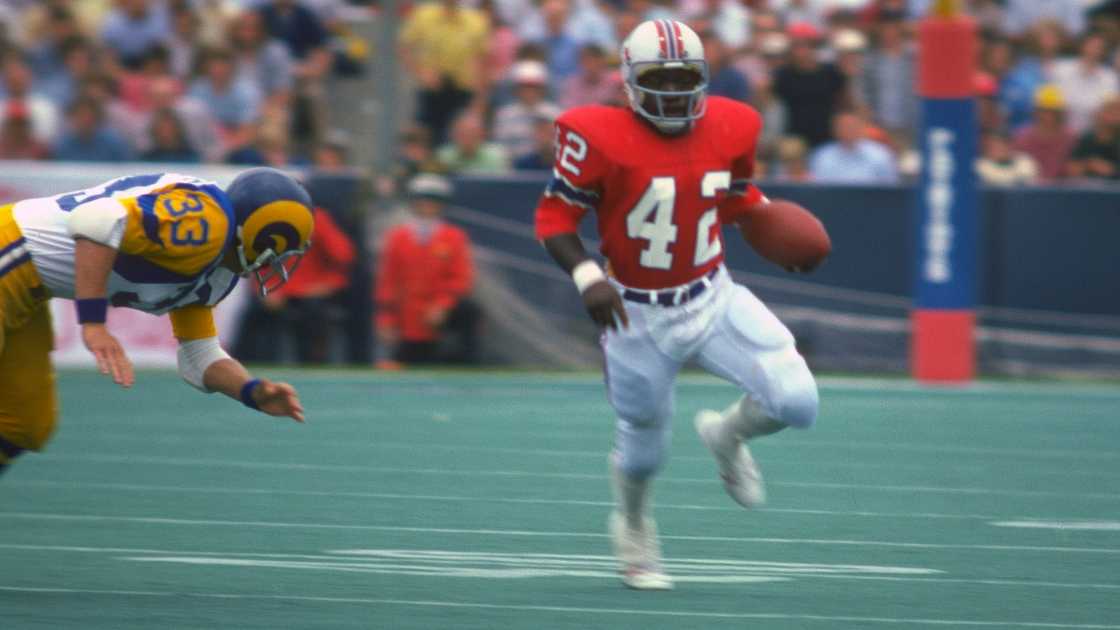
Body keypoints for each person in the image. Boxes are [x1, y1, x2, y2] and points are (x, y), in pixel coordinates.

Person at [534, 19, 819, 590]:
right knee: (642, 452)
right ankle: (634, 526)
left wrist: (770, 221)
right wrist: (588, 276)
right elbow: (554, 217)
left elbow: (731, 196)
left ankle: (727, 434)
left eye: (684, 77)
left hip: (712, 294)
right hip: (637, 313)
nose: (672, 90)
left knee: (798, 401)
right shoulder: (595, 134)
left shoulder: (734, 124)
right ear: (629, 82)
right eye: (658, 79)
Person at [0, 168, 312, 476]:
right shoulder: (207, 224)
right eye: (281, 252)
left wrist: (251, 391)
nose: (279, 264)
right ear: (262, 235)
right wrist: (93, 321)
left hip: (26, 287)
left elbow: (199, 357)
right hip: (10, 253)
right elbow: (95, 220)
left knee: (25, 423)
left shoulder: (219, 272)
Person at [376, 174, 478, 366]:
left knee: (469, 311)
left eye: (433, 201)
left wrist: (443, 304)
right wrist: (386, 319)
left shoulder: (454, 237)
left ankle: (465, 364)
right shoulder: (398, 237)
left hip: (439, 315)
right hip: (408, 316)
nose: (427, 206)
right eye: (422, 200)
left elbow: (461, 278)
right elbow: (388, 281)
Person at [808, 110, 899, 184]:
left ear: (862, 128)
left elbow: (891, 188)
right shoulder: (822, 156)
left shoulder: (881, 155)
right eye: (844, 127)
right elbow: (816, 188)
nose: (848, 130)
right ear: (834, 129)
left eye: (852, 126)